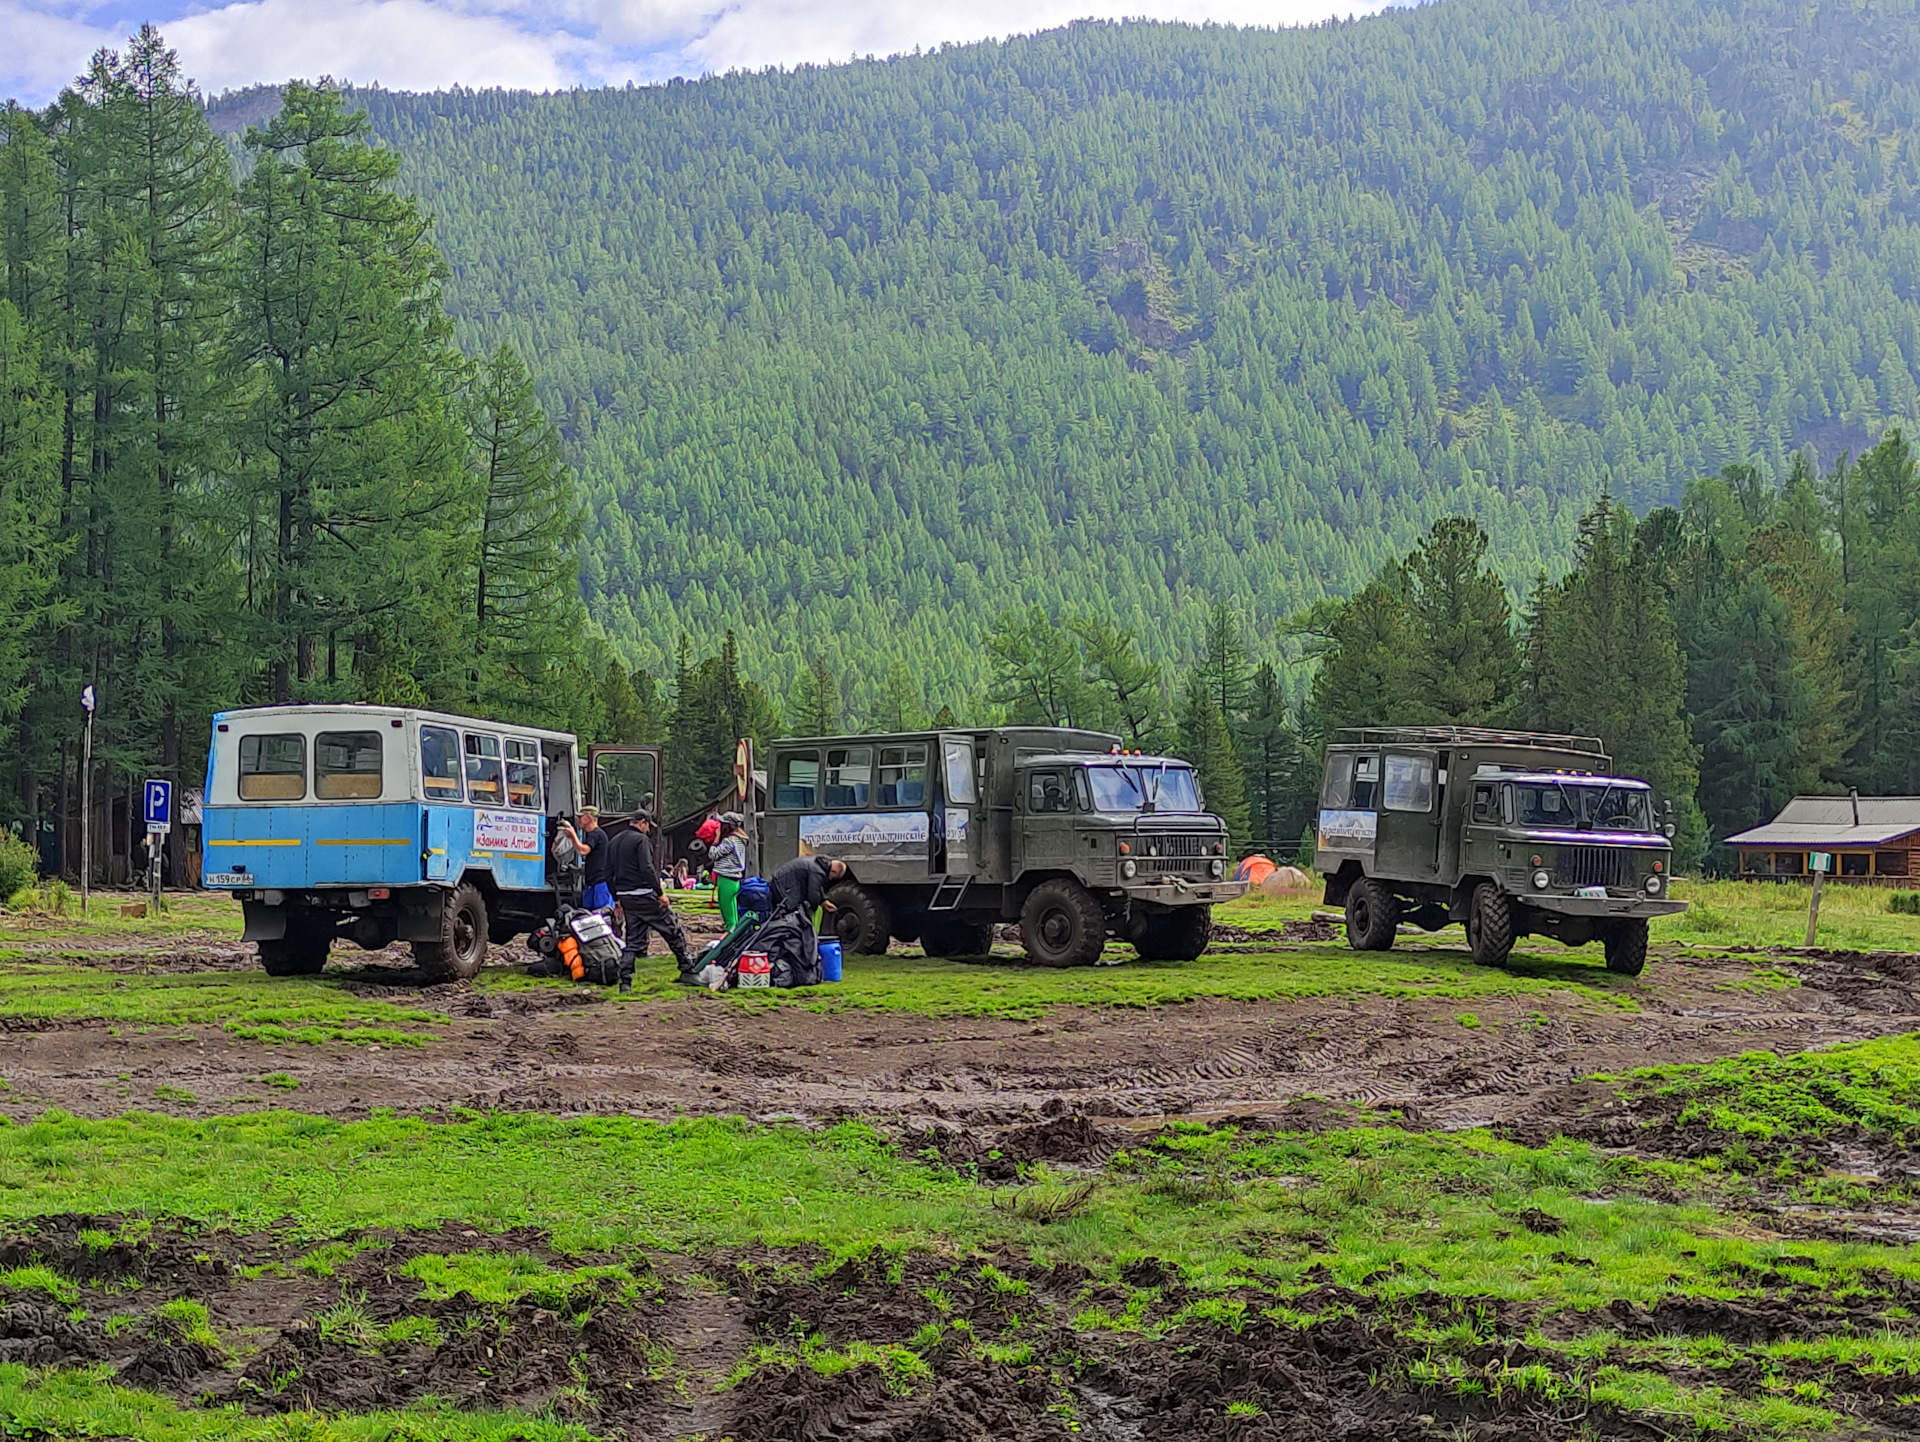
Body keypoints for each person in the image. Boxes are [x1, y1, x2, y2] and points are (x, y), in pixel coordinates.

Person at [608, 813, 692, 989]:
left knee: (633, 940)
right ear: (642, 823)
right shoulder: (641, 840)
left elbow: (607, 871)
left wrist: (616, 897)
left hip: (625, 896)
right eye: (648, 826)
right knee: (671, 928)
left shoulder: (614, 841)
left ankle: (625, 981)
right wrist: (660, 892)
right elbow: (647, 868)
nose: (648, 830)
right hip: (645, 894)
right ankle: (687, 966)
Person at [558, 807, 611, 913]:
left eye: (580, 817)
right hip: (591, 882)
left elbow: (583, 851)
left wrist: (573, 835)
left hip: (600, 883)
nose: (578, 820)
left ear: (589, 818)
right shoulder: (593, 835)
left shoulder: (596, 834)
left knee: (602, 915)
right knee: (588, 915)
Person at [710, 813, 748, 929]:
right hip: (735, 879)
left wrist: (716, 839)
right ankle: (735, 935)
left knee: (727, 914)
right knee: (733, 912)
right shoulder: (740, 840)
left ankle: (730, 937)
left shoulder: (729, 841)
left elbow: (713, 854)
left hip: (726, 879)